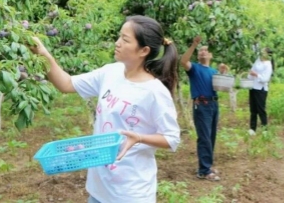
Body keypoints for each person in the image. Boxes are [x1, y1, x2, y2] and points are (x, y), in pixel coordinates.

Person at [29, 15, 181, 203]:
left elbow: (172, 138)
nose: (117, 43)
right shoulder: (111, 72)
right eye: (119, 37)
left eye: (125, 40)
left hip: (130, 193)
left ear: (144, 50)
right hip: (99, 189)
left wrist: (139, 138)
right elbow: (66, 84)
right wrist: (42, 53)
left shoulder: (154, 92)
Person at [180, 36, 221, 181]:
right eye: (200, 50)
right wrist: (193, 45)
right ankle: (204, 170)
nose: (203, 52)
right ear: (198, 55)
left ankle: (207, 166)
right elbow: (183, 61)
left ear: (210, 55)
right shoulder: (194, 68)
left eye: (206, 50)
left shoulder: (213, 71)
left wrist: (224, 72)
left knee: (211, 136)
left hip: (214, 104)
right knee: (204, 137)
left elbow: (222, 87)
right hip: (201, 105)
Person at [247, 47, 274, 136]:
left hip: (261, 89)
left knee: (261, 109)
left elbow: (265, 78)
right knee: (253, 109)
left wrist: (256, 74)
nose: (261, 52)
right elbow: (252, 70)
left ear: (267, 54)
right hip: (253, 87)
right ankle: (252, 128)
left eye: (263, 51)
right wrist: (249, 76)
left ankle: (264, 129)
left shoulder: (268, 64)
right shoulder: (257, 60)